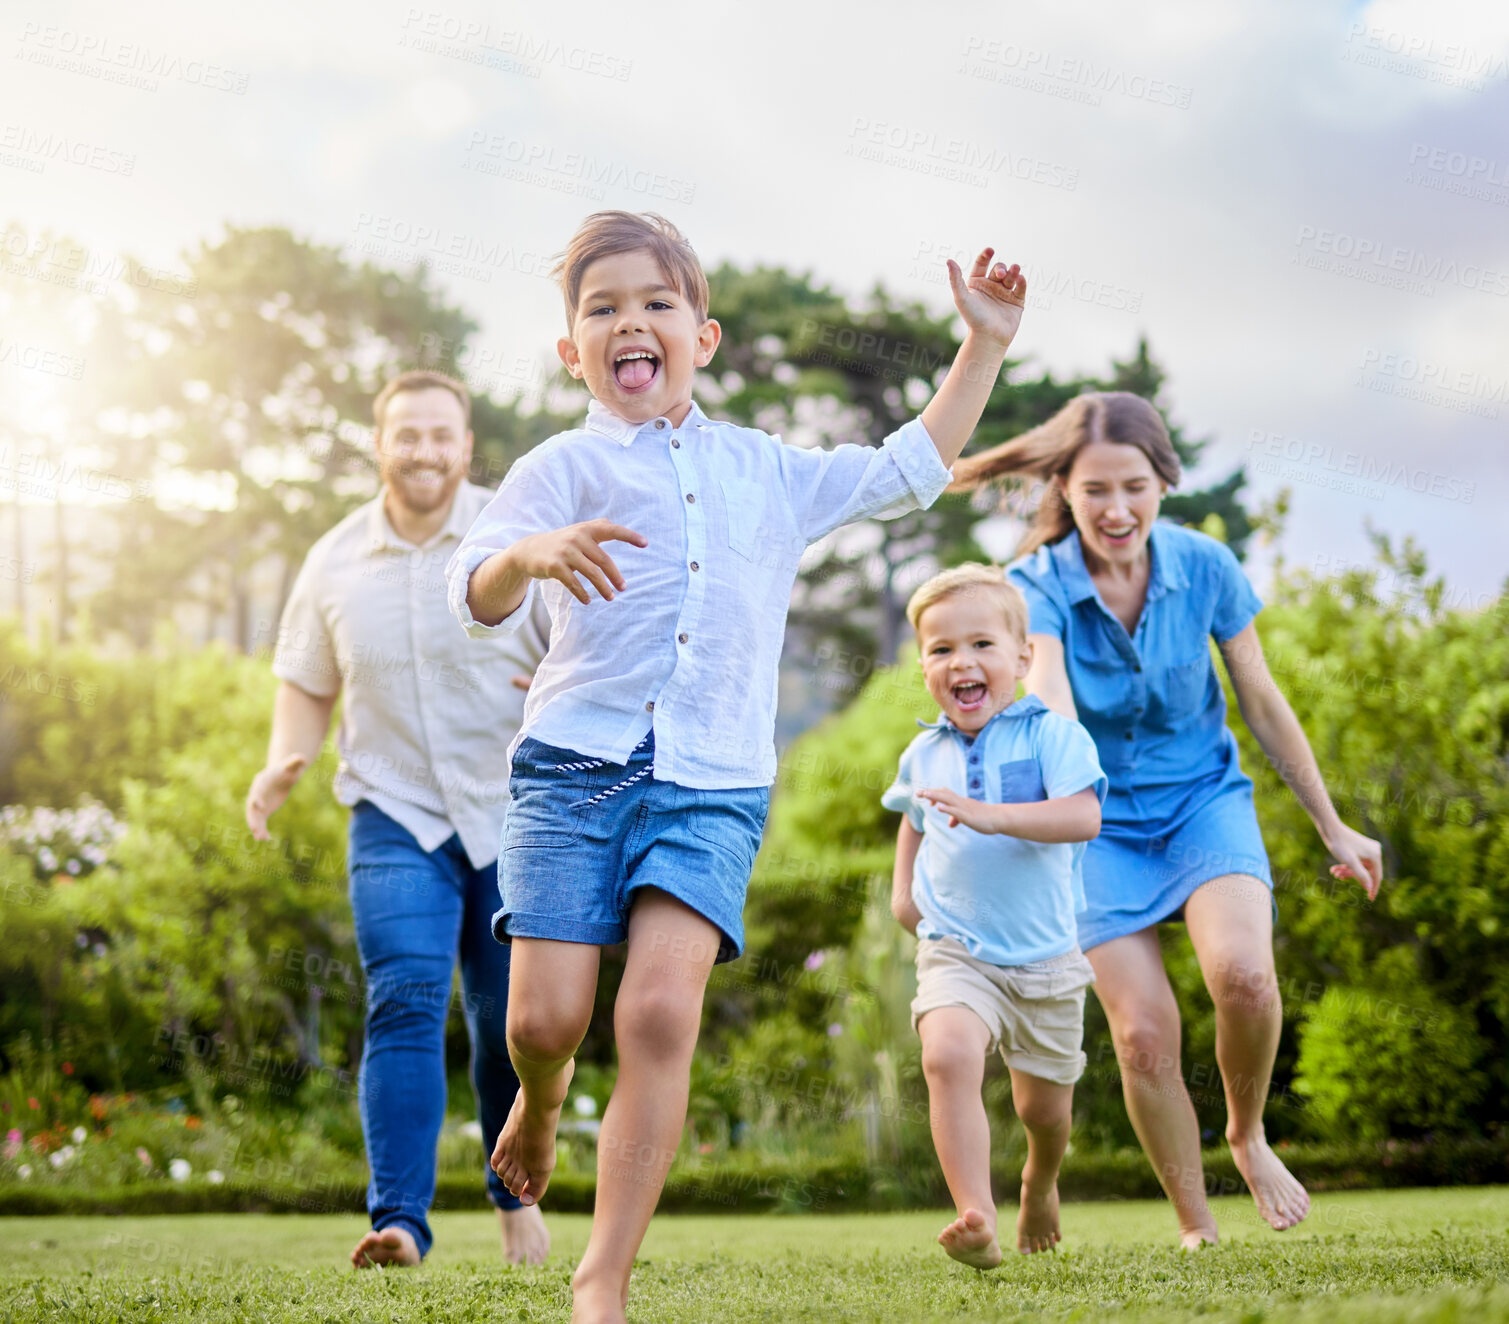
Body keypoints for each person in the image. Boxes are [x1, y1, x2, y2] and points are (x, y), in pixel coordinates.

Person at [445, 210, 1027, 1322]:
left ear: (701, 337)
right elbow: (476, 588)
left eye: (656, 303)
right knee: (542, 1021)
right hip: (571, 769)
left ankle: (601, 1275)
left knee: (661, 1014)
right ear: (573, 352)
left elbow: (909, 470)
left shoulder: (766, 470)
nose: (632, 322)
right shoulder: (559, 466)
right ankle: (537, 1092)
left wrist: (985, 344)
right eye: (603, 307)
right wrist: (527, 552)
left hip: (712, 779)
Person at [949, 391, 1384, 1247]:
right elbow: (1053, 707)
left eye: (1136, 488)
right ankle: (1196, 1226)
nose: (1117, 510)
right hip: (1097, 825)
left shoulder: (1205, 566)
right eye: (1096, 490)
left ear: (1163, 483)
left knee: (1245, 980)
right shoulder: (1031, 590)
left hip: (1201, 804)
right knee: (1143, 1033)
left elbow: (1258, 696)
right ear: (1064, 491)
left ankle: (1246, 1132)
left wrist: (1334, 824)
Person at [245, 370, 553, 1269]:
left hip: (518, 813)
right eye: (406, 434)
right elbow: (305, 683)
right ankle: (399, 1223)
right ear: (379, 444)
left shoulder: (514, 535)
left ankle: (513, 1194)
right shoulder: (334, 559)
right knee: (404, 1001)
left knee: (511, 1019)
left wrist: (572, 690)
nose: (423, 450)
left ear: (465, 445)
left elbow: (582, 642)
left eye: (440, 435)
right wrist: (280, 763)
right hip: (393, 812)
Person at [884, 564, 1107, 1266]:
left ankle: (1039, 1179)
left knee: (1044, 1113)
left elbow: (1083, 816)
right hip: (957, 946)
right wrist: (902, 892)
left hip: (1044, 959)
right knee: (945, 1055)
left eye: (981, 644)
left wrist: (992, 815)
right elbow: (913, 818)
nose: (962, 662)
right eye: (941, 649)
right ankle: (974, 1214)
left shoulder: (1054, 736)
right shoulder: (924, 750)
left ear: (1021, 657)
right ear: (923, 666)